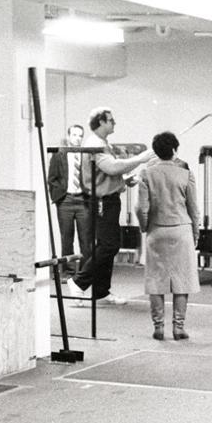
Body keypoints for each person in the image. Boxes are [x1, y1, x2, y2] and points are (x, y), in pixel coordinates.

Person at [67, 107, 154, 305]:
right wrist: (141, 159)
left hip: (109, 199)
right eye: (111, 120)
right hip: (101, 202)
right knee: (109, 245)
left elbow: (108, 173)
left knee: (109, 245)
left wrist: (123, 181)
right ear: (101, 123)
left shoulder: (103, 143)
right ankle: (79, 282)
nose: (114, 123)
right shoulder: (94, 144)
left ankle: (101, 292)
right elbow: (111, 167)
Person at [135, 132, 200, 340]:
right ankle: (179, 327)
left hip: (156, 230)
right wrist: (195, 233)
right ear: (175, 150)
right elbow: (194, 209)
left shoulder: (146, 174)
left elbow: (141, 208)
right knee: (182, 281)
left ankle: (158, 326)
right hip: (181, 229)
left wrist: (145, 227)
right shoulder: (186, 174)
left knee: (156, 281)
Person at [46, 124, 89, 276]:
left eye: (80, 136)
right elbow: (52, 178)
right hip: (66, 200)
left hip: (83, 200)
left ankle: (84, 272)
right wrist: (59, 197)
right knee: (66, 237)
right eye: (74, 135)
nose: (77, 138)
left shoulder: (86, 155)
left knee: (85, 238)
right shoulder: (59, 154)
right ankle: (68, 271)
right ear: (69, 136)